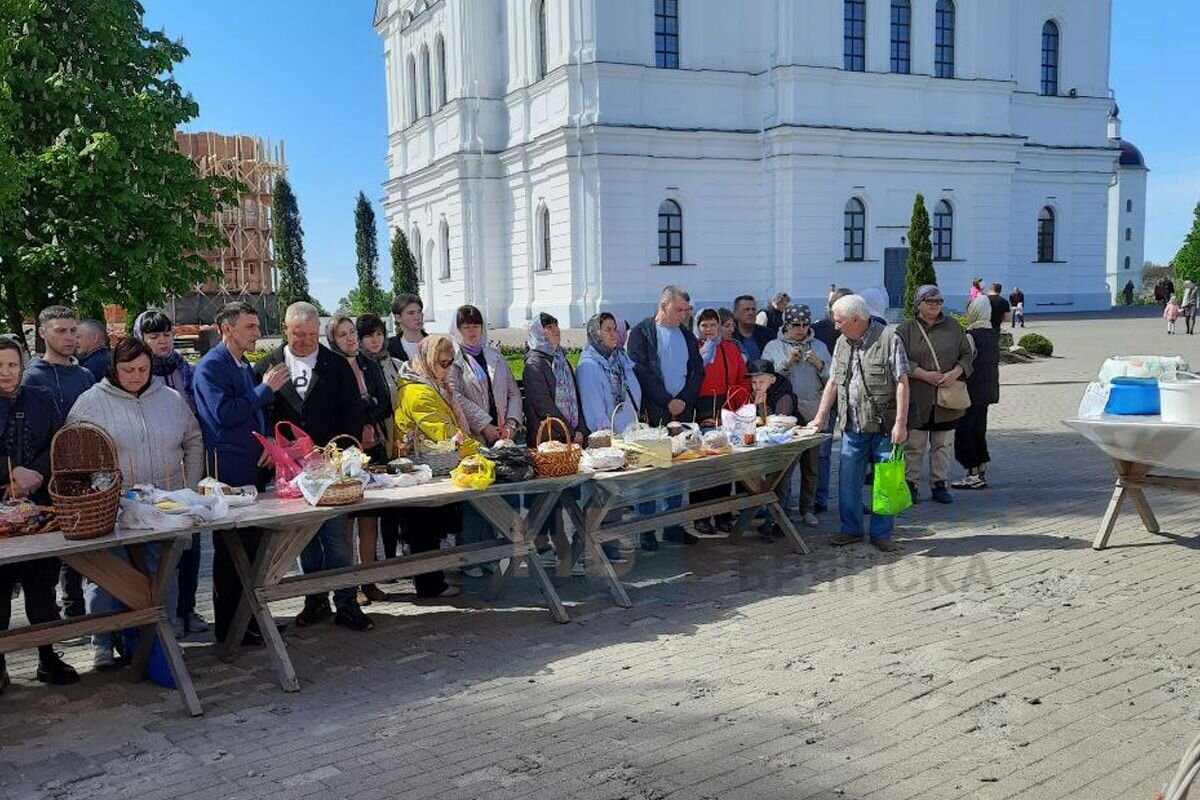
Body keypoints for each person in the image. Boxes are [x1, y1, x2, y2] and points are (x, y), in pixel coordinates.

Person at [69, 337, 204, 668]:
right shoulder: (91, 402)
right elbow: (74, 452)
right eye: (128, 370)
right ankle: (102, 643)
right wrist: (97, 493)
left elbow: (193, 439)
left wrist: (188, 489)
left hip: (165, 506)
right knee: (108, 575)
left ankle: (164, 637)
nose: (136, 376)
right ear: (114, 368)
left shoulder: (170, 398)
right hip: (112, 508)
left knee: (164, 571)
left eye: (143, 369)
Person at [255, 302, 372, 632]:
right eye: (298, 334)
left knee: (335, 539)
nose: (306, 340)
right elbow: (259, 411)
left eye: (311, 334)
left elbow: (352, 413)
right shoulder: (267, 365)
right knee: (304, 539)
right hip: (290, 474)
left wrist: (340, 458)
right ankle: (314, 598)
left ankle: (346, 602)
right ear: (285, 330)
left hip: (329, 469)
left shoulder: (336, 365)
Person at [193, 301, 289, 644]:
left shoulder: (242, 363)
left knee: (253, 550)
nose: (257, 333)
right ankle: (230, 628)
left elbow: (252, 413)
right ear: (227, 329)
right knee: (232, 552)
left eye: (257, 326)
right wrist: (266, 389)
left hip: (253, 467)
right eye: (250, 326)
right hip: (229, 473)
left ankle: (250, 621)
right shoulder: (210, 366)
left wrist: (267, 442)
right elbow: (224, 413)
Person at [0, 336, 79, 691]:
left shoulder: (40, 397)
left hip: (40, 505)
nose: (6, 372)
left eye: (12, 365)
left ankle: (48, 657)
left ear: (22, 366)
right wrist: (9, 473)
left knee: (42, 587)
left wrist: (34, 472)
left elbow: (59, 441)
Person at [808, 294, 910, 552]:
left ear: (856, 319)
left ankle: (881, 534)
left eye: (839, 321)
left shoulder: (889, 338)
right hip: (852, 426)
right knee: (848, 482)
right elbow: (833, 381)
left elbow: (902, 382)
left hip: (884, 427)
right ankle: (851, 530)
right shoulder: (841, 342)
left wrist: (900, 424)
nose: (835, 326)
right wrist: (820, 417)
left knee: (885, 482)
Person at [132, 308, 205, 637]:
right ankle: (163, 615)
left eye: (166, 334)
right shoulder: (137, 377)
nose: (162, 341)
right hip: (150, 474)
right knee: (158, 552)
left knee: (191, 543)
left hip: (186, 468)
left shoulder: (187, 370)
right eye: (154, 336)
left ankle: (188, 608)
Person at [22, 306, 95, 624]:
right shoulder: (31, 377)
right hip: (44, 477)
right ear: (42, 333)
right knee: (48, 560)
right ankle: (62, 614)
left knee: (86, 549)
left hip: (83, 473)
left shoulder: (85, 375)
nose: (69, 337)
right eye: (60, 331)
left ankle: (82, 612)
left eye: (73, 330)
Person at [627, 285, 705, 548]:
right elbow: (640, 370)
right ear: (663, 306)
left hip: (682, 410)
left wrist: (683, 399)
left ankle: (672, 524)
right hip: (654, 409)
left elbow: (697, 371)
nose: (684, 315)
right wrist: (666, 400)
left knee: (678, 468)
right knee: (650, 469)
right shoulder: (641, 333)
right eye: (679, 309)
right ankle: (646, 529)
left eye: (686, 310)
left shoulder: (687, 335)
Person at [394, 335, 471, 599]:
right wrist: (478, 452)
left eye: (450, 363)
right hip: (422, 471)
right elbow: (443, 432)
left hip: (432, 469)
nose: (447, 368)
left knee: (427, 528)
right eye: (442, 363)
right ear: (428, 361)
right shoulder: (418, 391)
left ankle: (433, 581)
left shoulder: (431, 384)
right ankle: (429, 585)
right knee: (423, 528)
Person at [326, 314, 395, 605]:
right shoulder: (329, 367)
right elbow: (336, 410)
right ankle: (349, 585)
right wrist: (362, 409)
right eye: (342, 334)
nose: (350, 338)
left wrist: (365, 411)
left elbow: (385, 403)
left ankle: (368, 580)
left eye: (352, 332)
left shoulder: (369, 363)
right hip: (344, 452)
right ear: (333, 340)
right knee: (346, 523)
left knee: (370, 520)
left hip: (373, 447)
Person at [896, 285, 975, 505]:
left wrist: (955, 373)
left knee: (942, 445)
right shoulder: (905, 329)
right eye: (929, 301)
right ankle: (910, 484)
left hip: (946, 399)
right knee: (914, 446)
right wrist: (922, 374)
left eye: (938, 301)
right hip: (917, 397)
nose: (934, 305)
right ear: (918, 303)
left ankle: (939, 484)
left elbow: (967, 355)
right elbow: (898, 358)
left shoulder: (953, 327)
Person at [762, 304, 830, 528]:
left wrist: (820, 365)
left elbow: (833, 379)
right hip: (784, 415)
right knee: (784, 468)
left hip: (812, 413)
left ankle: (808, 508)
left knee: (812, 466)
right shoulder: (774, 346)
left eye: (805, 324)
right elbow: (765, 378)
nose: (801, 329)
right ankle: (782, 511)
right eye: (795, 325)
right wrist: (787, 363)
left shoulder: (819, 346)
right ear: (786, 325)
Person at [691, 308, 751, 536]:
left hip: (727, 409)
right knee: (703, 467)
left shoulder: (730, 349)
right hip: (701, 410)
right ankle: (701, 517)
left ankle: (723, 515)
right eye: (704, 325)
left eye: (713, 325)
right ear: (697, 327)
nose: (709, 329)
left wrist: (735, 405)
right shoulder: (692, 350)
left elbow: (742, 379)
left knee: (726, 465)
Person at [357, 313, 404, 563]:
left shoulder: (396, 364)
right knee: (369, 507)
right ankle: (369, 560)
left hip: (396, 437)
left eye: (379, 334)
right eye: (368, 336)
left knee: (392, 503)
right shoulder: (357, 367)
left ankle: (391, 556)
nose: (375, 340)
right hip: (369, 439)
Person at [449, 305, 522, 446]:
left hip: (503, 433)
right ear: (457, 330)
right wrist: (484, 425)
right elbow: (455, 396)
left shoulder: (495, 356)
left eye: (476, 326)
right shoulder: (453, 360)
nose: (472, 331)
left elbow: (513, 392)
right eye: (466, 327)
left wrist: (511, 423)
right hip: (474, 436)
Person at [746, 359, 799, 538]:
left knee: (781, 481)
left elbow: (779, 423)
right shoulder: (754, 395)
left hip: (788, 443)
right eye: (754, 382)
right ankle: (774, 518)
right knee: (772, 481)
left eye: (761, 381)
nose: (757, 386)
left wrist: (761, 407)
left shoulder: (784, 395)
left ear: (772, 379)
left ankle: (779, 522)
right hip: (768, 444)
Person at [951, 296, 999, 490]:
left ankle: (972, 474)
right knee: (979, 429)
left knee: (965, 430)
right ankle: (981, 469)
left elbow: (965, 362)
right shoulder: (992, 334)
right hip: (987, 390)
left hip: (972, 390)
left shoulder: (971, 335)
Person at [523, 313, 586, 445]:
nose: (556, 330)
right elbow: (543, 405)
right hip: (549, 439)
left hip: (571, 435)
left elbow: (576, 397)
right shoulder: (534, 365)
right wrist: (570, 433)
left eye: (556, 325)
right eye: (549, 327)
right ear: (538, 332)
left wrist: (580, 429)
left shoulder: (562, 361)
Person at [576, 312, 641, 436]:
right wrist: (608, 437)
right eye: (608, 330)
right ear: (596, 333)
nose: (613, 334)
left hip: (629, 433)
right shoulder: (588, 366)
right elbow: (594, 409)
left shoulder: (616, 358)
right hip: (612, 439)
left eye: (615, 329)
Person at [731, 295, 773, 362]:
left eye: (753, 309)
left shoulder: (768, 335)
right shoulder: (729, 336)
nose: (751, 313)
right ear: (735, 313)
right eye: (746, 309)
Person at [387, 293, 426, 362]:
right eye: (411, 313)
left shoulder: (436, 344)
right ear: (398, 318)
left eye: (419, 311)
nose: (418, 317)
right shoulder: (388, 347)